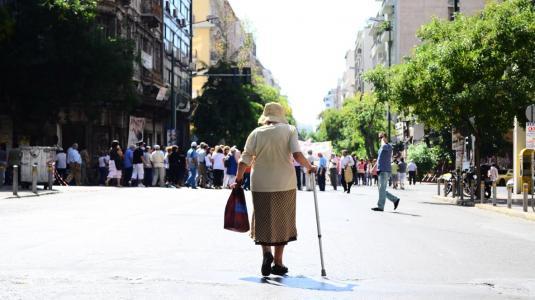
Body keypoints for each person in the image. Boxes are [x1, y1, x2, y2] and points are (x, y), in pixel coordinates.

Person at [234, 102, 317, 277]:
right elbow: (296, 154)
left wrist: (238, 180)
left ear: (266, 117)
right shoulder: (289, 130)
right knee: (283, 221)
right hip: (284, 183)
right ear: (280, 116)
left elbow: (244, 160)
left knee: (263, 219)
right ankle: (278, 262)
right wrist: (309, 167)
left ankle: (266, 254)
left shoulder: (255, 133)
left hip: (260, 183)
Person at [372, 133, 400, 212]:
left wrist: (383, 141)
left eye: (381, 137)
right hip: (380, 170)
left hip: (385, 170)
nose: (380, 139)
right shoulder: (381, 148)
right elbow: (378, 159)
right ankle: (395, 200)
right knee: (381, 190)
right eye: (379, 138)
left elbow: (384, 146)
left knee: (382, 189)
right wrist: (374, 168)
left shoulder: (388, 146)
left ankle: (381, 207)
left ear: (385, 137)